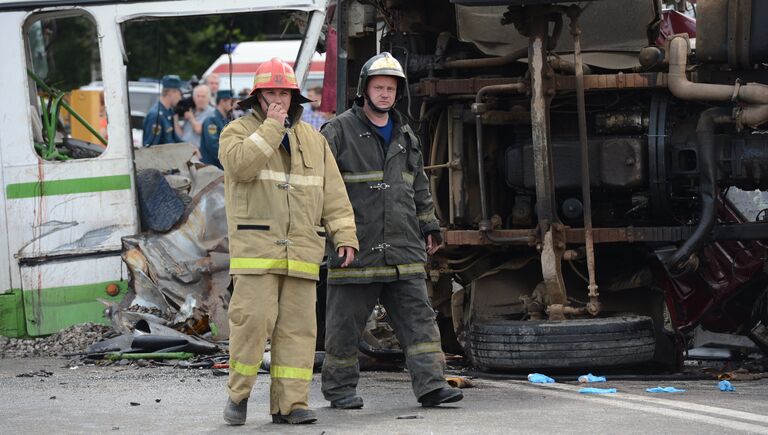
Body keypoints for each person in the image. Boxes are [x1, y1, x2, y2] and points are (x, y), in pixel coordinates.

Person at [218, 57, 359, 426]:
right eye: (271, 92)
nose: (278, 98)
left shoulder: (314, 140)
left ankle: (292, 403)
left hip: (302, 252)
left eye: (284, 92)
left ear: (294, 96)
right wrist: (270, 129)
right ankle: (239, 395)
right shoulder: (235, 133)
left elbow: (334, 194)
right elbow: (240, 166)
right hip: (256, 253)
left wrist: (344, 234)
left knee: (299, 331)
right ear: (257, 97)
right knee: (251, 325)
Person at [320, 52, 463, 409]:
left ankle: (431, 385)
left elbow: (418, 185)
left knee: (420, 322)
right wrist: (332, 237)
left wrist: (429, 224)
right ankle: (340, 391)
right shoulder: (337, 132)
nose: (384, 94)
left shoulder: (404, 133)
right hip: (355, 249)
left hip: (403, 248)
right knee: (344, 327)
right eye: (378, 87)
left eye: (390, 88)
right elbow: (320, 189)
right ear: (364, 90)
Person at [142, 75, 183, 146]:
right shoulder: (156, 115)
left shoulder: (169, 112)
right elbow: (151, 147)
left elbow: (175, 139)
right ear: (171, 92)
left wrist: (189, 148)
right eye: (179, 94)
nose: (180, 98)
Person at [199, 89, 234, 169]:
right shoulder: (211, 119)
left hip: (220, 165)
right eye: (230, 102)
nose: (232, 105)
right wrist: (229, 160)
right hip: (213, 167)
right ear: (222, 101)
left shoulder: (225, 119)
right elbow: (213, 145)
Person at [181, 84, 214, 149]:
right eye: (198, 96)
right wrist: (175, 116)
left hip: (198, 152)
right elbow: (181, 134)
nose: (200, 99)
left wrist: (191, 118)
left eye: (203, 96)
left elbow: (199, 130)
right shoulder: (191, 111)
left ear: (208, 98)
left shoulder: (212, 112)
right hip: (184, 149)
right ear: (194, 98)